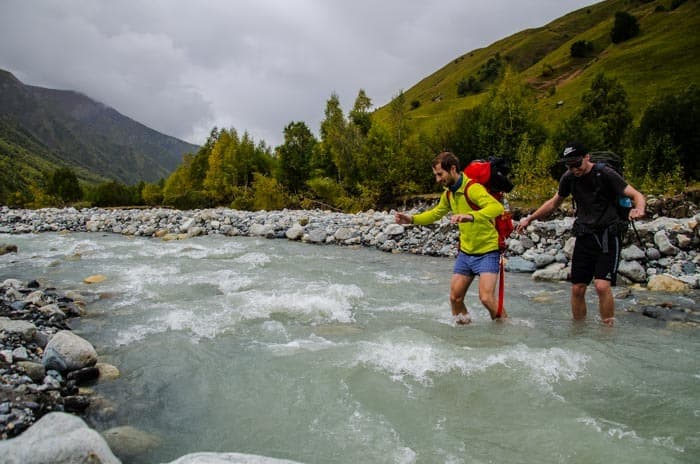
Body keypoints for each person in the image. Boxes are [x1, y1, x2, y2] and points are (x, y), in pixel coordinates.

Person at [516, 142, 646, 326]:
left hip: (608, 235)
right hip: (584, 235)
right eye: (569, 165)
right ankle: (579, 331)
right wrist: (530, 218)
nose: (574, 169)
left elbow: (636, 194)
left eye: (577, 163)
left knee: (601, 286)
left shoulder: (605, 174)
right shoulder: (569, 178)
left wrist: (639, 208)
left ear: (587, 157)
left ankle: (607, 330)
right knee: (577, 288)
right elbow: (553, 203)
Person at [395, 151, 507, 324]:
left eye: (440, 174)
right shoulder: (448, 194)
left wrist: (470, 216)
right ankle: (464, 337)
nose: (438, 179)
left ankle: (505, 331)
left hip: (487, 251)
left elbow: (496, 207)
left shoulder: (473, 188)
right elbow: (435, 213)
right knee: (455, 298)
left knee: (486, 298)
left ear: (453, 168)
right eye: (436, 175)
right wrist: (411, 219)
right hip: (466, 253)